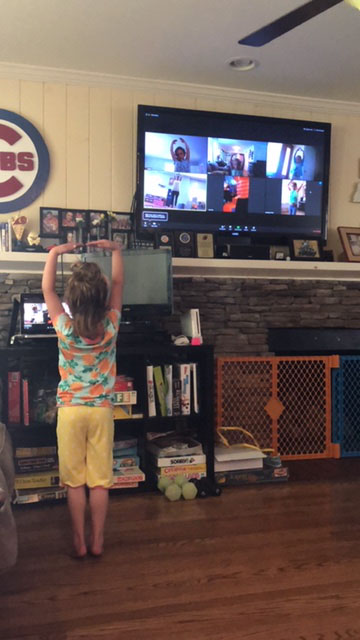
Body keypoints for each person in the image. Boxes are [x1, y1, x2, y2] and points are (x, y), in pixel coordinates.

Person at [42, 239, 123, 559]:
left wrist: (54, 253)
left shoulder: (64, 326)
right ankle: (98, 540)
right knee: (100, 482)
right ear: (102, 299)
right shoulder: (111, 326)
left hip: (71, 412)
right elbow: (118, 282)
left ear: (70, 302)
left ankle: (78, 541)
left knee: (75, 483)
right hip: (101, 411)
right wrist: (115, 250)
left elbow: (48, 290)